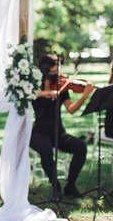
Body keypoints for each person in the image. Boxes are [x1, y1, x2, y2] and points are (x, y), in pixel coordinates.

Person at [29, 54, 95, 197]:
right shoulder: (34, 86)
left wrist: (84, 96)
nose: (56, 75)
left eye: (56, 71)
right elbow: (25, 94)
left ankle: (70, 185)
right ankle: (56, 186)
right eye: (52, 72)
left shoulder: (61, 86)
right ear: (44, 71)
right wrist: (45, 93)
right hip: (39, 133)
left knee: (81, 147)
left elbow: (71, 109)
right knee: (46, 150)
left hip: (58, 132)